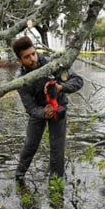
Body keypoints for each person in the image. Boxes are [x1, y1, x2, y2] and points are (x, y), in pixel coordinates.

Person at [11, 35, 84, 185]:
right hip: (38, 113)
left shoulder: (53, 64)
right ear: (19, 60)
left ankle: (56, 185)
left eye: (33, 53)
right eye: (27, 57)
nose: (33, 59)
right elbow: (30, 108)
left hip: (59, 109)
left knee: (57, 150)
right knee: (29, 147)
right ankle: (19, 178)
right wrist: (43, 112)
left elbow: (78, 81)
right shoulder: (20, 80)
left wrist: (60, 87)